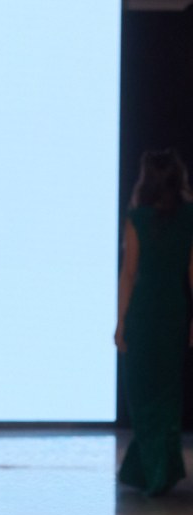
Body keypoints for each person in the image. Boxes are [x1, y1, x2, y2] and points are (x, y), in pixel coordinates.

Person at [115, 147, 193, 496]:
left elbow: (129, 274)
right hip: (173, 311)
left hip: (145, 312)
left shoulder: (138, 218)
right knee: (165, 393)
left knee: (144, 392)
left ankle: (155, 471)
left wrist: (121, 322)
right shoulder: (189, 217)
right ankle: (153, 469)